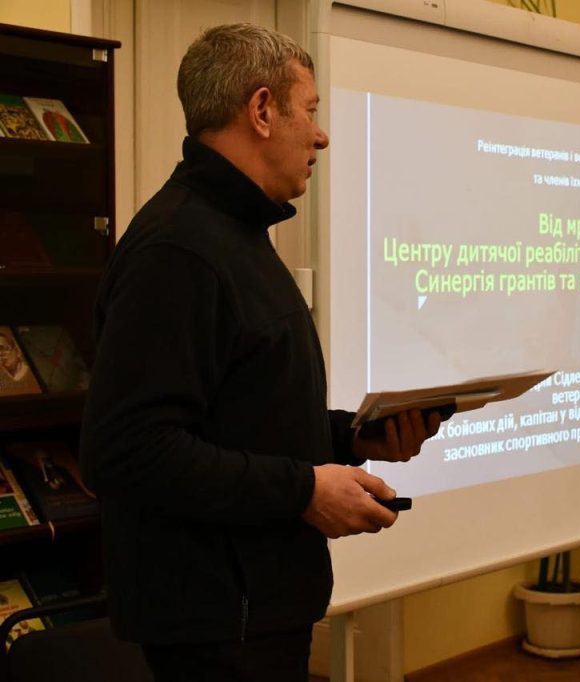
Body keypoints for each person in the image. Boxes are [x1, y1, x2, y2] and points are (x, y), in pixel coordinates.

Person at [79, 24, 438, 681]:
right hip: (216, 624)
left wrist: (353, 437)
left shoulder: (236, 233)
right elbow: (127, 449)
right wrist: (304, 489)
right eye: (312, 111)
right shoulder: (178, 250)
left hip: (257, 608)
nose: (322, 136)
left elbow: (240, 417)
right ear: (263, 110)